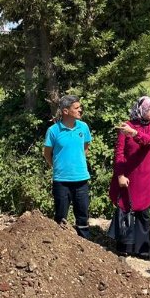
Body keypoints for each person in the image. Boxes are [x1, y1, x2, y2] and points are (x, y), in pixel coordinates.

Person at [108, 96, 150, 257]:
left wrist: (135, 133)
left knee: (143, 212)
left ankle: (142, 248)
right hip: (128, 174)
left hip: (145, 176)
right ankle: (125, 245)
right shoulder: (127, 126)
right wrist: (120, 175)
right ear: (142, 109)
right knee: (125, 208)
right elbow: (119, 153)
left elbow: (149, 140)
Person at [43, 95, 92, 239]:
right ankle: (60, 245)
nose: (80, 110)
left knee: (83, 215)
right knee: (60, 216)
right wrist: (58, 166)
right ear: (65, 111)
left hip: (81, 179)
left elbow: (86, 146)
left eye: (80, 107)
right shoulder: (53, 131)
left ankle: (85, 244)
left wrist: (77, 161)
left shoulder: (83, 127)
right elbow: (47, 154)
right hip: (61, 181)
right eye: (76, 108)